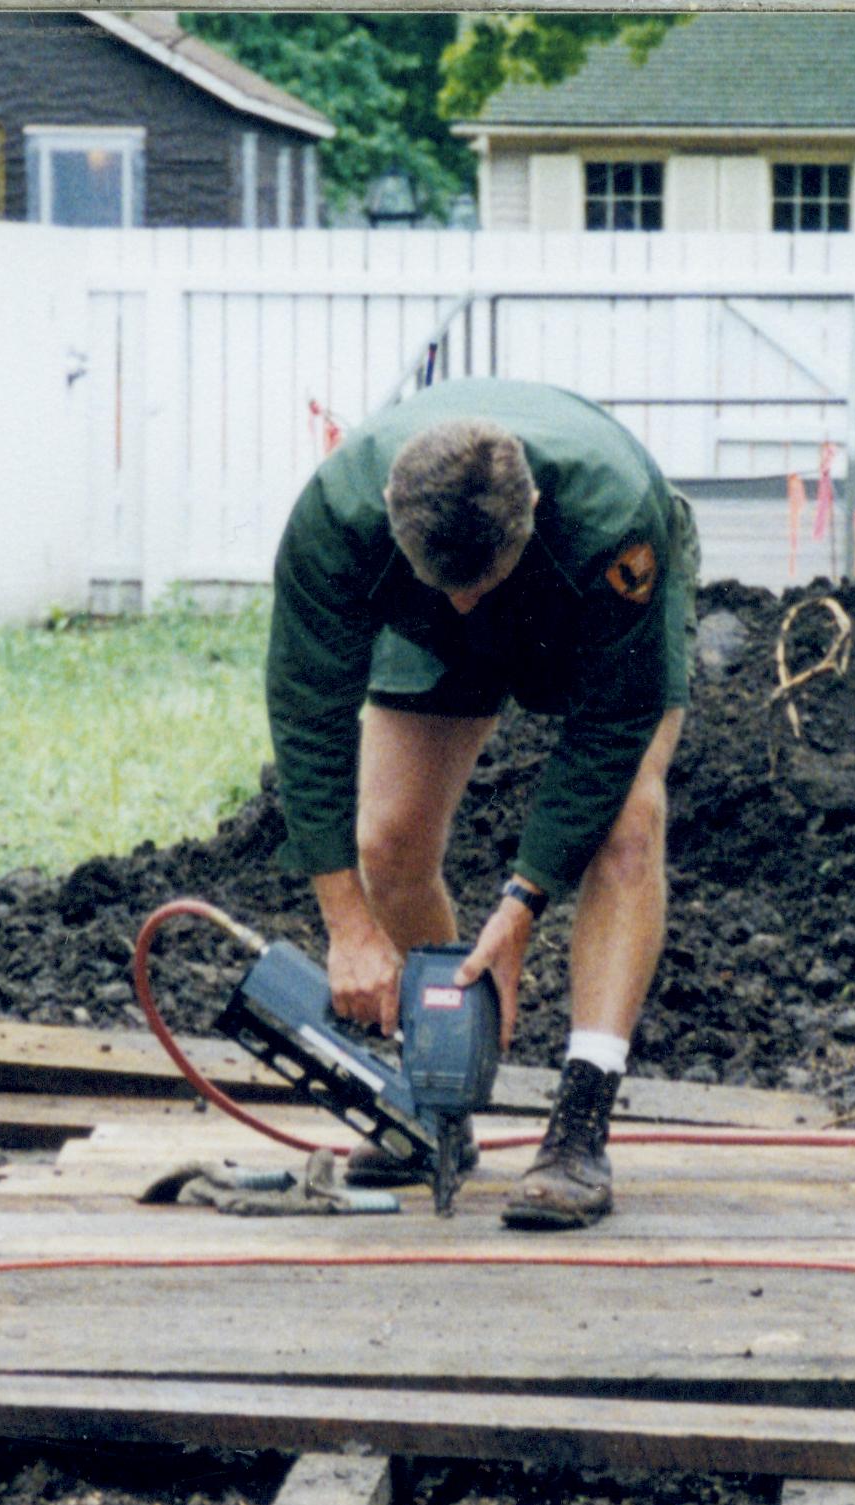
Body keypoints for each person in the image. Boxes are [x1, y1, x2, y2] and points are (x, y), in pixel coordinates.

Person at [262, 377, 694, 1229]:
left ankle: (579, 1123)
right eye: (450, 583)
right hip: (418, 620)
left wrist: (524, 899)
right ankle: (442, 1097)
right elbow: (308, 715)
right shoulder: (336, 520)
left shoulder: (617, 519)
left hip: (579, 604)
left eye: (480, 582)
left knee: (628, 825)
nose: (470, 603)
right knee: (388, 840)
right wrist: (348, 924)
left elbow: (612, 727)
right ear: (390, 507)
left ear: (531, 500)